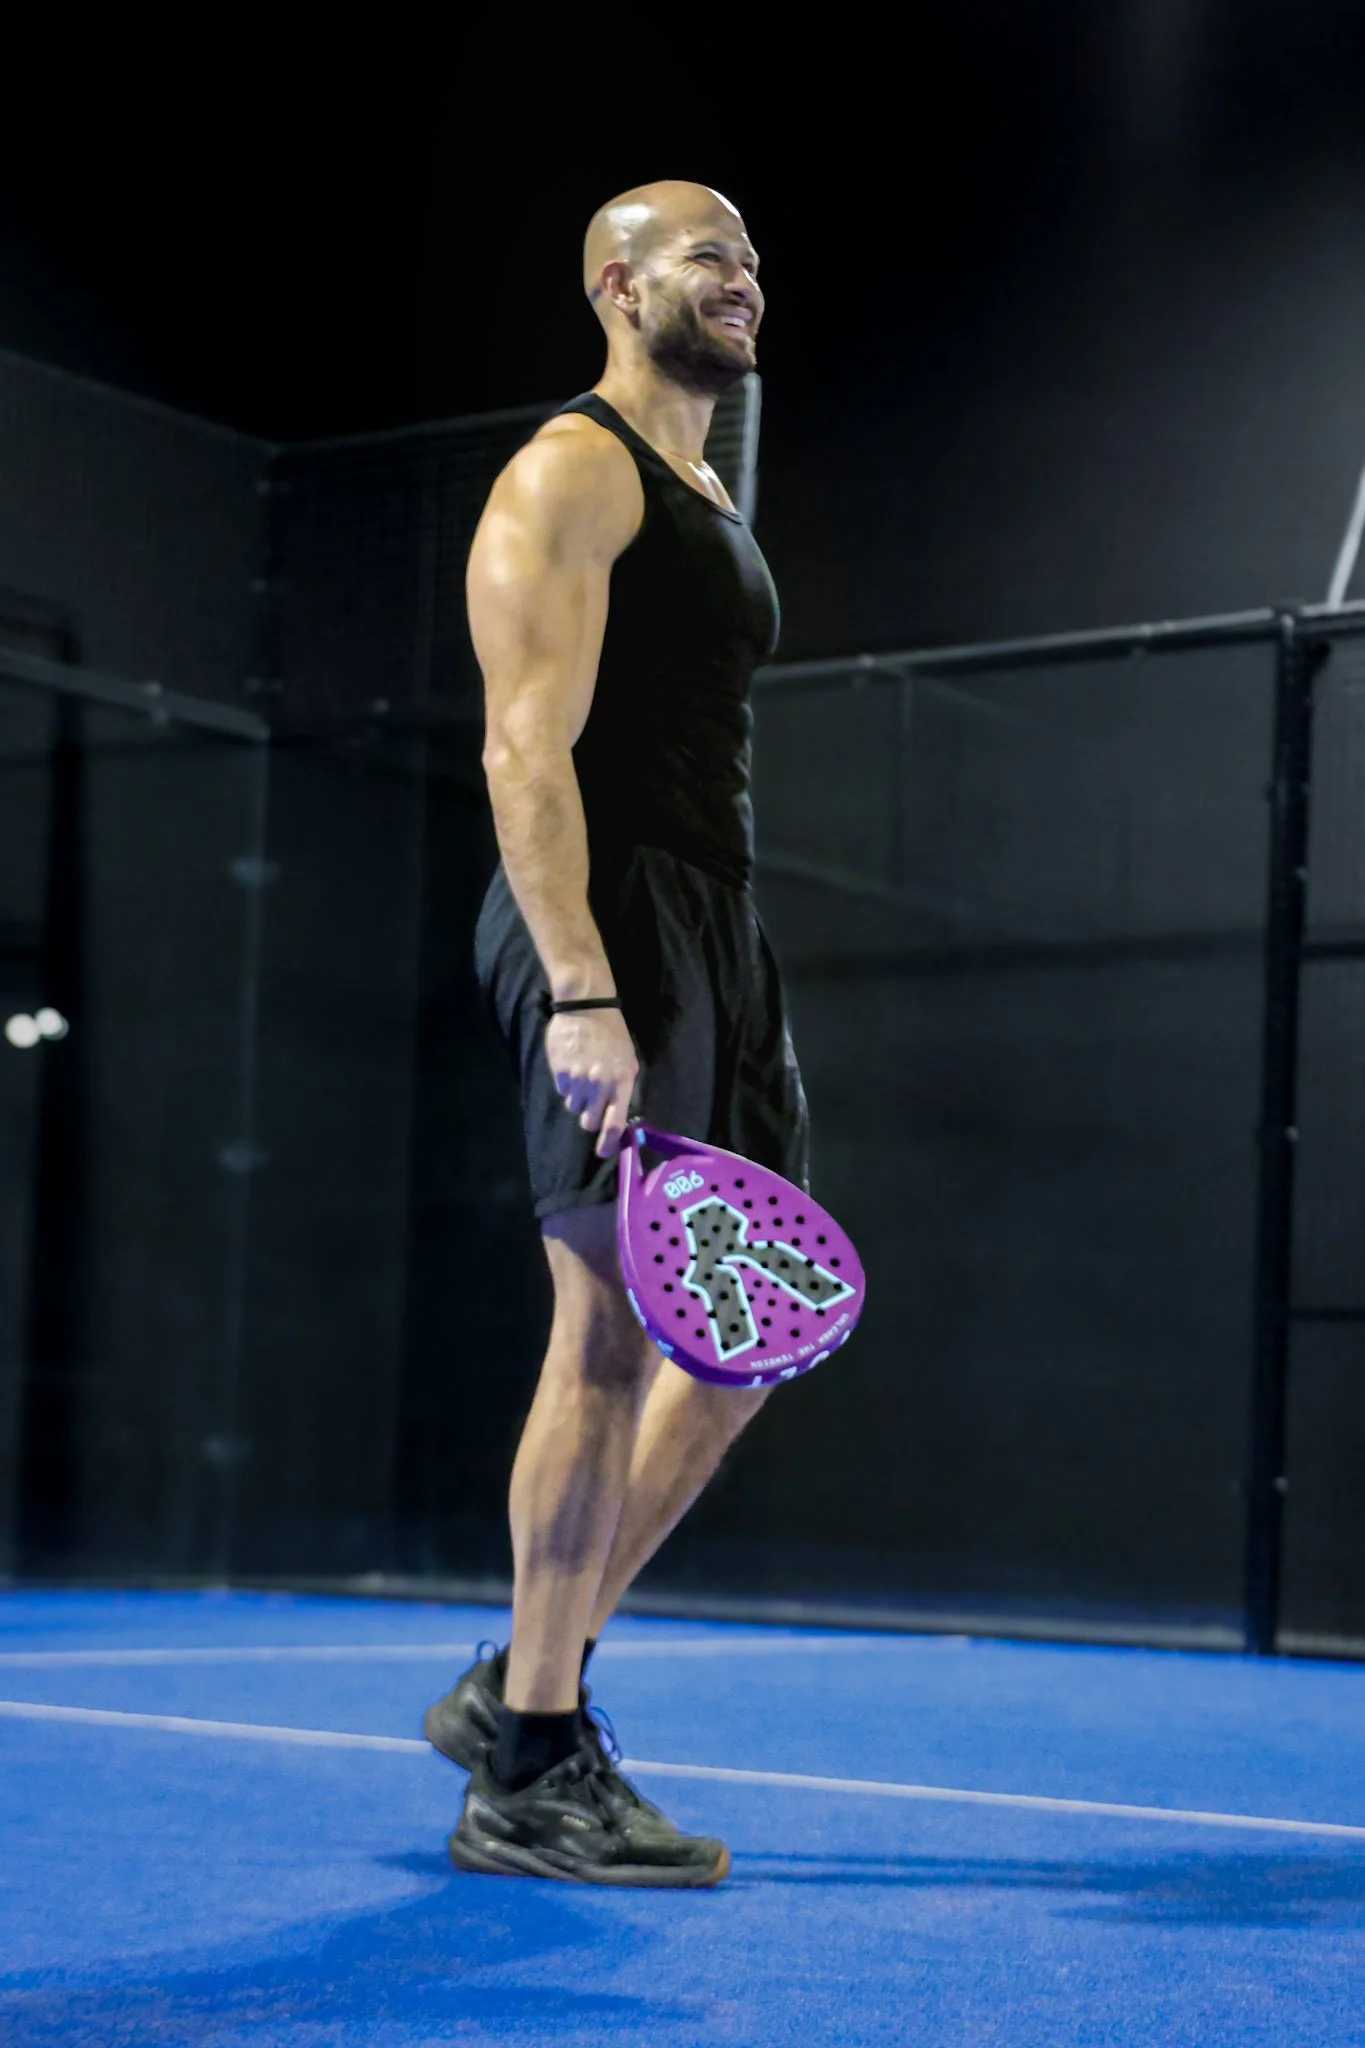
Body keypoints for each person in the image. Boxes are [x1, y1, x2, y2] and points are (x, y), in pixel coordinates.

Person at [425, 179, 808, 1886]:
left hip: (714, 924)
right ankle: (530, 1769)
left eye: (751, 259)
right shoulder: (574, 469)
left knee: (745, 1337)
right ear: (613, 284)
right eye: (705, 256)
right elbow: (524, 748)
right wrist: (582, 983)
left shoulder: (705, 488)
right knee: (605, 1330)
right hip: (611, 915)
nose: (743, 278)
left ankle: (528, 1671)